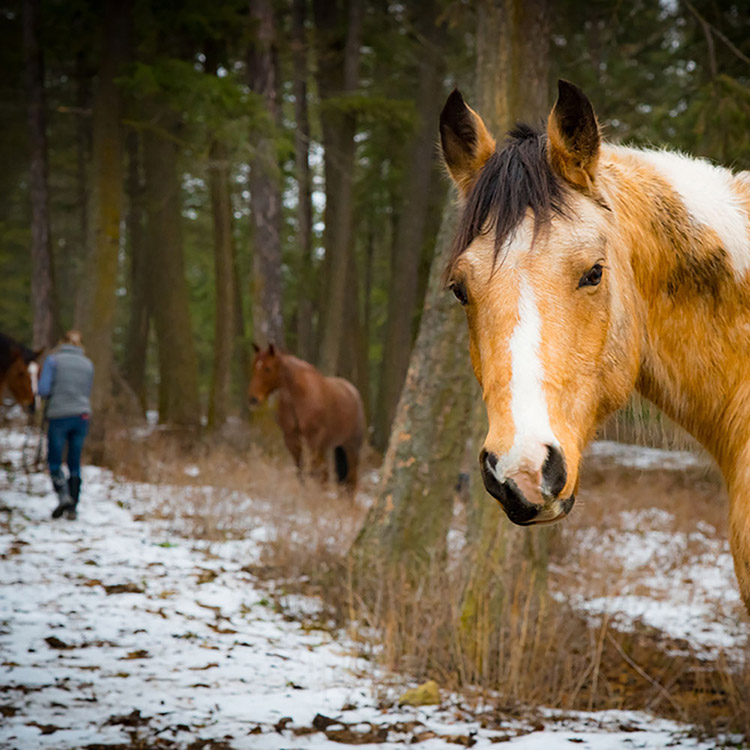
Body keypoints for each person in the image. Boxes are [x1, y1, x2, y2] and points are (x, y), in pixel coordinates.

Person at [37, 330, 94, 520]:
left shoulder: (54, 361)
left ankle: (63, 496)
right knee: (74, 462)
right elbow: (86, 391)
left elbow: (43, 389)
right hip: (81, 416)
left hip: (59, 414)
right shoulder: (88, 364)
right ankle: (73, 507)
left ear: (62, 342)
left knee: (54, 460)